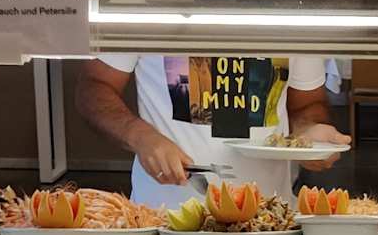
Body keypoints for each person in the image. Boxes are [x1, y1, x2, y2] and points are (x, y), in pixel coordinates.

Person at [76, 53, 348, 209]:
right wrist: (141, 137)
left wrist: (308, 133)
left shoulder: (290, 12)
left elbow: (307, 104)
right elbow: (94, 86)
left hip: (269, 224)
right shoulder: (151, 5)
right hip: (163, 224)